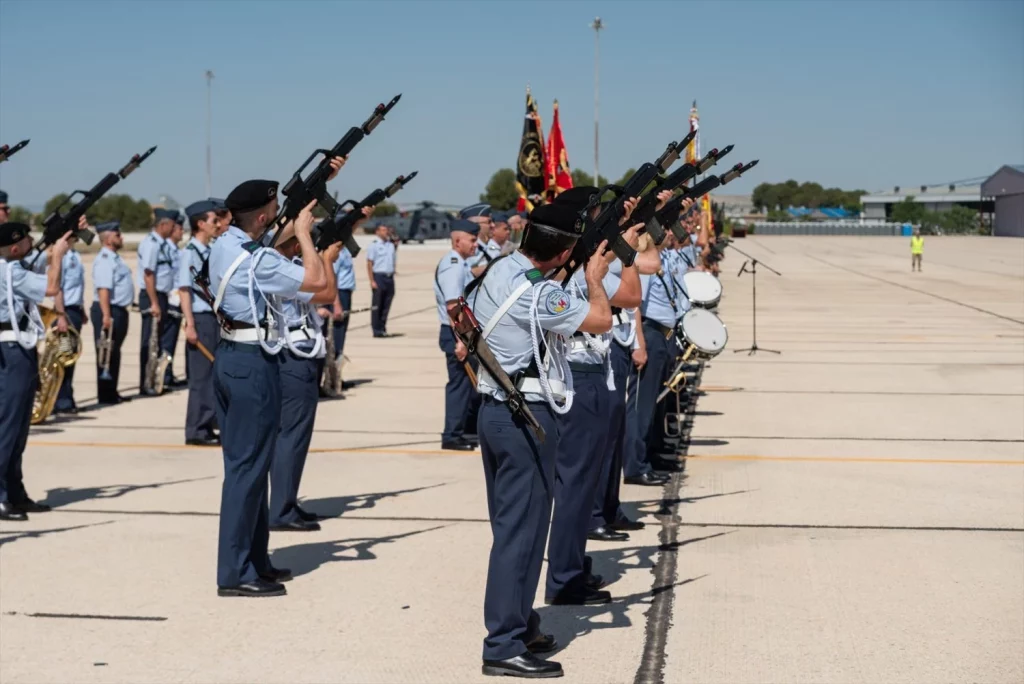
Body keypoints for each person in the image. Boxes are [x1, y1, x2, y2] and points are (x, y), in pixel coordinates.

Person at [468, 201, 613, 679]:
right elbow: (600, 321)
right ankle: (503, 643)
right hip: (524, 417)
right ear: (566, 248)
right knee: (521, 533)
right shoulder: (540, 297)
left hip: (496, 411)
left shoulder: (504, 268)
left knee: (517, 530)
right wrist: (593, 277)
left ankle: (521, 623)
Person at [209, 163, 341, 598]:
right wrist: (305, 234)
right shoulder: (259, 259)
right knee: (247, 470)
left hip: (231, 358)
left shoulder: (226, 244)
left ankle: (255, 559)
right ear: (264, 217)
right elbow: (321, 287)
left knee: (251, 465)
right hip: (253, 364)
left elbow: (262, 243)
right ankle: (235, 571)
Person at [543, 188, 645, 608]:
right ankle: (563, 578)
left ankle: (572, 566)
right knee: (575, 485)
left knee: (582, 486)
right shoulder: (571, 272)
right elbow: (632, 295)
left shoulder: (580, 269)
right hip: (580, 380)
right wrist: (629, 254)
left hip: (592, 376)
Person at [269, 229, 342, 532]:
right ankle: (281, 510)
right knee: (292, 436)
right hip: (293, 356)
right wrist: (326, 259)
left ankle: (287, 501)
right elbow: (327, 292)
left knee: (296, 437)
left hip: (300, 353)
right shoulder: (281, 269)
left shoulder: (288, 267)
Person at [1, 223, 72, 521]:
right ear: (15, 247)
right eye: (28, 238)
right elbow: (51, 287)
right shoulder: (9, 271)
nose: (33, 241)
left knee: (18, 429)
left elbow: (39, 266)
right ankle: (1, 496)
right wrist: (57, 254)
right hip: (11, 350)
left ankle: (14, 492)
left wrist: (64, 237)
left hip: (21, 347)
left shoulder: (12, 266)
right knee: (8, 427)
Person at [179, 200, 225, 446]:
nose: (217, 225)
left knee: (214, 375)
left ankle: (209, 422)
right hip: (200, 319)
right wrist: (190, 324)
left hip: (212, 318)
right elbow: (184, 290)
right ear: (200, 224)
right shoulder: (189, 253)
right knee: (201, 377)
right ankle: (196, 429)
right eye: (213, 221)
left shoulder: (207, 251)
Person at [434, 219, 480, 451]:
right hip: (456, 333)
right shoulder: (452, 265)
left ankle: (459, 432)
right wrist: (462, 341)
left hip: (461, 332)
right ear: (458, 240)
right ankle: (451, 435)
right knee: (459, 386)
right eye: (472, 240)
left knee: (465, 386)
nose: (476, 244)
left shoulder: (460, 263)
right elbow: (453, 306)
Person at [44, 228, 88, 415]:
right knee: (63, 359)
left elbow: (77, 286)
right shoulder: (58, 256)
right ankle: (60, 401)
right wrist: (61, 315)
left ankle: (66, 398)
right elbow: (58, 288)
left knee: (71, 358)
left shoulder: (75, 255)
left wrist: (82, 310)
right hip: (64, 311)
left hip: (74, 310)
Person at [91, 221, 134, 406]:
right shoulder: (105, 260)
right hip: (108, 310)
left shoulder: (115, 258)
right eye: (118, 235)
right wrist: (106, 316)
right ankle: (105, 394)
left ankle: (111, 392)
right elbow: (103, 290)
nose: (121, 238)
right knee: (106, 353)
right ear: (108, 239)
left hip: (118, 310)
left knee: (114, 353)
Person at [137, 208, 178, 395]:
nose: (174, 228)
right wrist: (154, 302)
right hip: (151, 295)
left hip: (161, 295)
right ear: (163, 225)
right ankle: (145, 383)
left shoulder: (162, 244)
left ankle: (154, 380)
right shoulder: (151, 244)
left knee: (158, 341)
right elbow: (148, 275)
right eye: (171, 225)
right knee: (150, 340)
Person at [164, 213, 186, 388]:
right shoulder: (167, 249)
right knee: (167, 340)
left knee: (172, 339)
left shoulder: (177, 250)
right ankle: (164, 375)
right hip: (170, 299)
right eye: (179, 228)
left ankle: (168, 374)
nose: (181, 232)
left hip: (177, 299)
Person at [366, 223, 397, 337]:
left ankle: (383, 327)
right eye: (383, 230)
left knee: (386, 304)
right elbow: (369, 263)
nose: (385, 232)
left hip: (389, 277)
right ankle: (376, 329)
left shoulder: (391, 245)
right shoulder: (373, 246)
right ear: (377, 232)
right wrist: (372, 280)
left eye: (386, 230)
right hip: (379, 276)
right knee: (377, 304)